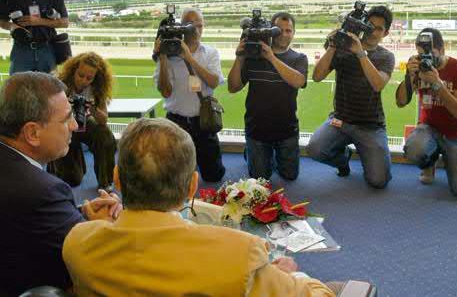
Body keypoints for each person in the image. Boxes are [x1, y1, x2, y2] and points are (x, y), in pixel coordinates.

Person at [63, 117, 336, 297]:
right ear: (192, 186)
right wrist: (292, 275)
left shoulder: (78, 243)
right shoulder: (240, 253)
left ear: (117, 180)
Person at [0, 72, 121, 296]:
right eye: (67, 118)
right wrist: (104, 226)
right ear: (33, 133)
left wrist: (81, 214)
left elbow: (30, 217)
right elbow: (94, 260)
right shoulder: (41, 190)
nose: (75, 125)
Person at [307, 5, 395, 189]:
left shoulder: (386, 56)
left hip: (371, 125)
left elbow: (377, 84)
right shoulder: (343, 49)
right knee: (315, 149)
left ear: (385, 33)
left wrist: (360, 53)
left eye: (379, 28)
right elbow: (317, 77)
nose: (372, 31)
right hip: (340, 120)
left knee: (379, 181)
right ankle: (343, 158)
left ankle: (366, 154)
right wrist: (333, 45)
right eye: (370, 25)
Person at [228, 12, 307, 180]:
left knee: (290, 176)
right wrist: (239, 58)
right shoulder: (252, 57)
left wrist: (271, 57)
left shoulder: (299, 58)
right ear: (270, 30)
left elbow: (299, 81)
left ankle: (259, 155)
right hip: (257, 130)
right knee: (260, 178)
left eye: (289, 30)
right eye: (280, 30)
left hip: (287, 130)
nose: (284, 34)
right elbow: (233, 87)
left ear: (293, 33)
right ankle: (252, 152)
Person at [154, 8, 225, 182]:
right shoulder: (168, 55)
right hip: (177, 122)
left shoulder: (210, 52)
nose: (197, 30)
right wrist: (162, 57)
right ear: (182, 27)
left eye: (200, 26)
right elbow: (165, 91)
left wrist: (189, 59)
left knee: (214, 176)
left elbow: (214, 82)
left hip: (204, 120)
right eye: (193, 26)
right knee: (179, 178)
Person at [396, 28, 457, 195]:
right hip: (428, 128)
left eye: (430, 55)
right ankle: (429, 162)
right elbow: (400, 102)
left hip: (454, 134)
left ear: (443, 49)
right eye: (421, 55)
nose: (426, 60)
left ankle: (446, 157)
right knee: (415, 150)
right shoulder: (418, 67)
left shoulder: (455, 68)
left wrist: (437, 84)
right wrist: (409, 76)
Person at [47, 52, 117, 190]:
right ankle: (69, 166)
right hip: (63, 125)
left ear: (95, 78)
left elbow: (104, 120)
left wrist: (94, 109)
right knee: (72, 179)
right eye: (80, 75)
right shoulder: (60, 81)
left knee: (104, 134)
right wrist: (63, 104)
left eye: (89, 78)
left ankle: (105, 182)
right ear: (74, 70)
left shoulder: (97, 89)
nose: (83, 80)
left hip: (84, 122)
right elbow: (47, 111)